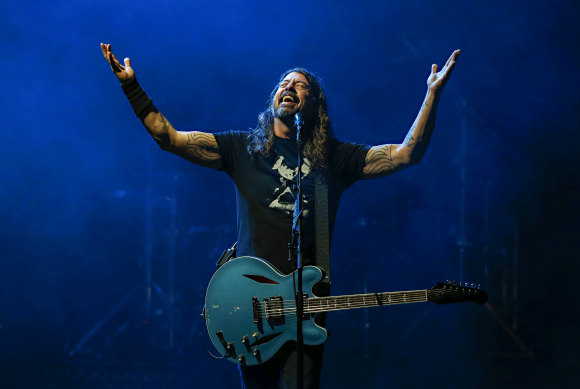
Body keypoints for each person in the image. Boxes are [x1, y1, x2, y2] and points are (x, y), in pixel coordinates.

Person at [100, 43, 460, 389]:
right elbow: (170, 139)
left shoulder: (333, 159)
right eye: (285, 83)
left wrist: (431, 95)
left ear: (314, 103)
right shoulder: (242, 148)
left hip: (305, 312)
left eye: (301, 86)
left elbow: (404, 155)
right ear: (274, 98)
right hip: (249, 306)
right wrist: (132, 87)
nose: (290, 87)